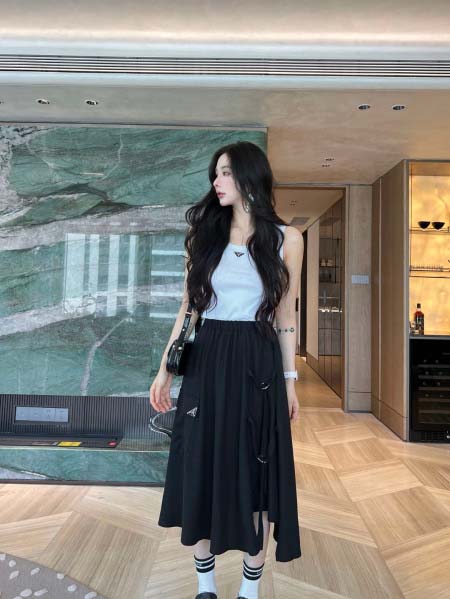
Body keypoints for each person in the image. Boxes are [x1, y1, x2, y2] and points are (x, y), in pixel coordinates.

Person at [150, 140, 303, 599]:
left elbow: (286, 318)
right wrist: (165, 370)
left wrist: (290, 382)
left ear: (250, 176)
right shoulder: (205, 234)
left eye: (225, 173)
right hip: (208, 356)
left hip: (258, 361)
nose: (216, 182)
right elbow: (188, 309)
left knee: (257, 471)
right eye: (215, 174)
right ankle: (205, 585)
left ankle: (249, 589)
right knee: (199, 464)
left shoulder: (287, 239)